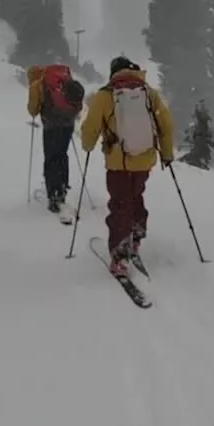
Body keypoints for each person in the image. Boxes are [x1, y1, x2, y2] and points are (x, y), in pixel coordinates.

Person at [79, 57, 175, 275]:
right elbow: (166, 125)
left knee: (120, 203)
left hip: (118, 161)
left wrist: (87, 145)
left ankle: (121, 255)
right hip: (144, 157)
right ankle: (136, 235)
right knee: (135, 195)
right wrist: (167, 153)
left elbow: (91, 126)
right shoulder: (148, 93)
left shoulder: (106, 95)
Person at [26, 64, 85, 212]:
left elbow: (33, 110)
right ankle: (63, 188)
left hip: (51, 126)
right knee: (62, 154)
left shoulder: (37, 85)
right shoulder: (62, 79)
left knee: (51, 158)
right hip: (68, 124)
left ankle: (54, 194)